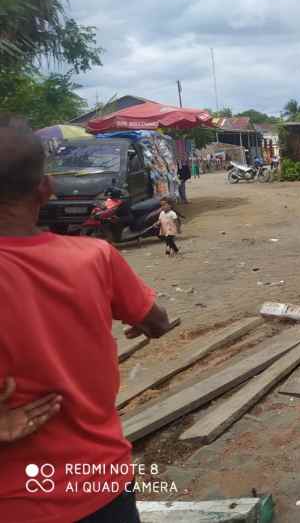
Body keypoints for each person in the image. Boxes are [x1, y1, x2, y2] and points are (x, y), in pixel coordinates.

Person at [0, 126, 172, 523]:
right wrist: (145, 321)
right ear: (46, 189)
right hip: (98, 484)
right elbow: (157, 320)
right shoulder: (96, 258)